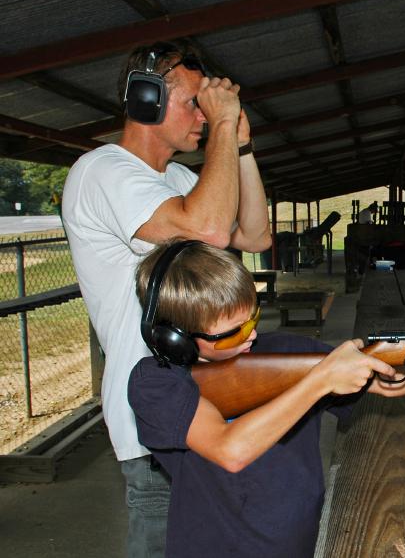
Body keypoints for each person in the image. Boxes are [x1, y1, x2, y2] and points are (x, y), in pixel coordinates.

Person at [128, 240, 405, 557]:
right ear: (175, 336)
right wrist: (321, 379)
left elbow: (385, 382)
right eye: (232, 333)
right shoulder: (157, 384)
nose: (251, 335)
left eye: (252, 318)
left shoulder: (284, 353)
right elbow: (229, 450)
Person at [61, 40, 271, 556]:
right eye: (193, 102)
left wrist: (240, 147)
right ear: (146, 99)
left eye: (207, 105)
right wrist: (221, 125)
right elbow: (209, 228)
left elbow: (255, 234)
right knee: (161, 543)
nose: (203, 115)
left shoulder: (176, 179)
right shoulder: (102, 170)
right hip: (150, 413)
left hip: (202, 398)